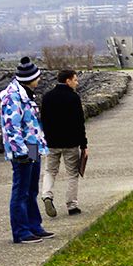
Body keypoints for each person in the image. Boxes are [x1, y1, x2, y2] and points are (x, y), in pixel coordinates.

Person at [0, 56, 52, 244]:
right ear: (30, 78)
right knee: (21, 190)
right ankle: (21, 231)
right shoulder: (12, 96)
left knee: (31, 189)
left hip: (32, 146)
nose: (39, 80)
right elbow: (11, 126)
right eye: (37, 77)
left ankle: (34, 226)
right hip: (23, 149)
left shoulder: (26, 94)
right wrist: (20, 152)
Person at [40, 69, 88, 217]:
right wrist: (84, 145)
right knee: (72, 173)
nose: (77, 82)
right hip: (71, 142)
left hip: (52, 142)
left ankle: (47, 195)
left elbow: (43, 120)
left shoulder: (47, 97)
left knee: (50, 171)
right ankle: (72, 205)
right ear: (68, 81)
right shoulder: (73, 98)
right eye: (75, 80)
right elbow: (79, 123)